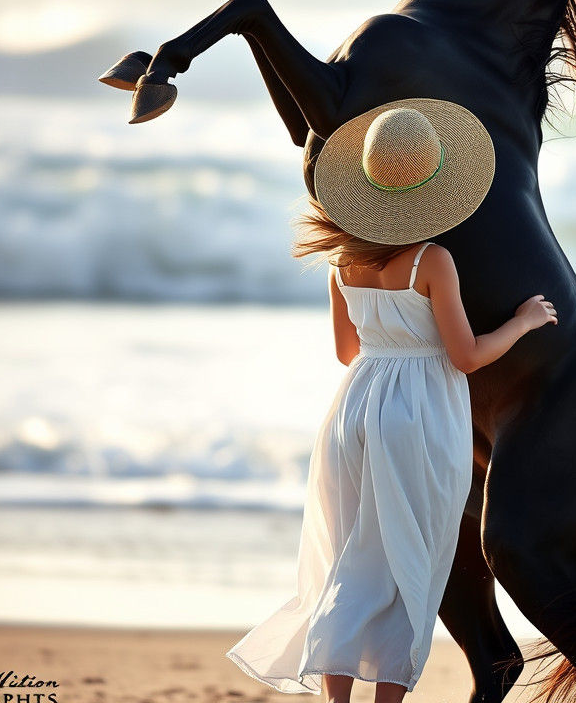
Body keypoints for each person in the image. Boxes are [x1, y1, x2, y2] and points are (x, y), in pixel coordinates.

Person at [225, 98, 558, 702]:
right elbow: (466, 356)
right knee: (410, 559)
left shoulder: (342, 261)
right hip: (420, 414)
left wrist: (390, 349)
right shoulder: (432, 261)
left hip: (354, 408)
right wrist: (524, 322)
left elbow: (346, 351)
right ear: (435, 192)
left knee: (350, 559)